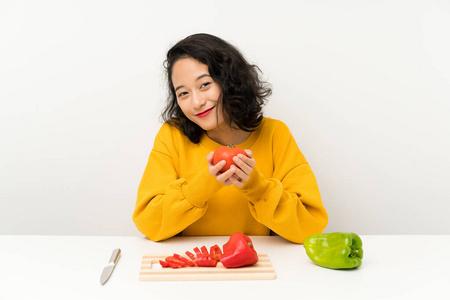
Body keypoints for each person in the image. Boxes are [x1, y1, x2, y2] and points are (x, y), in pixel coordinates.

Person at [132, 33, 328, 244]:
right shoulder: (172, 136)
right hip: (194, 266)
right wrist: (202, 186)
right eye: (183, 94)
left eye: (205, 84)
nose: (196, 102)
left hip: (256, 266)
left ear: (230, 80)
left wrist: (258, 187)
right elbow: (147, 223)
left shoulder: (274, 134)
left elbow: (310, 227)